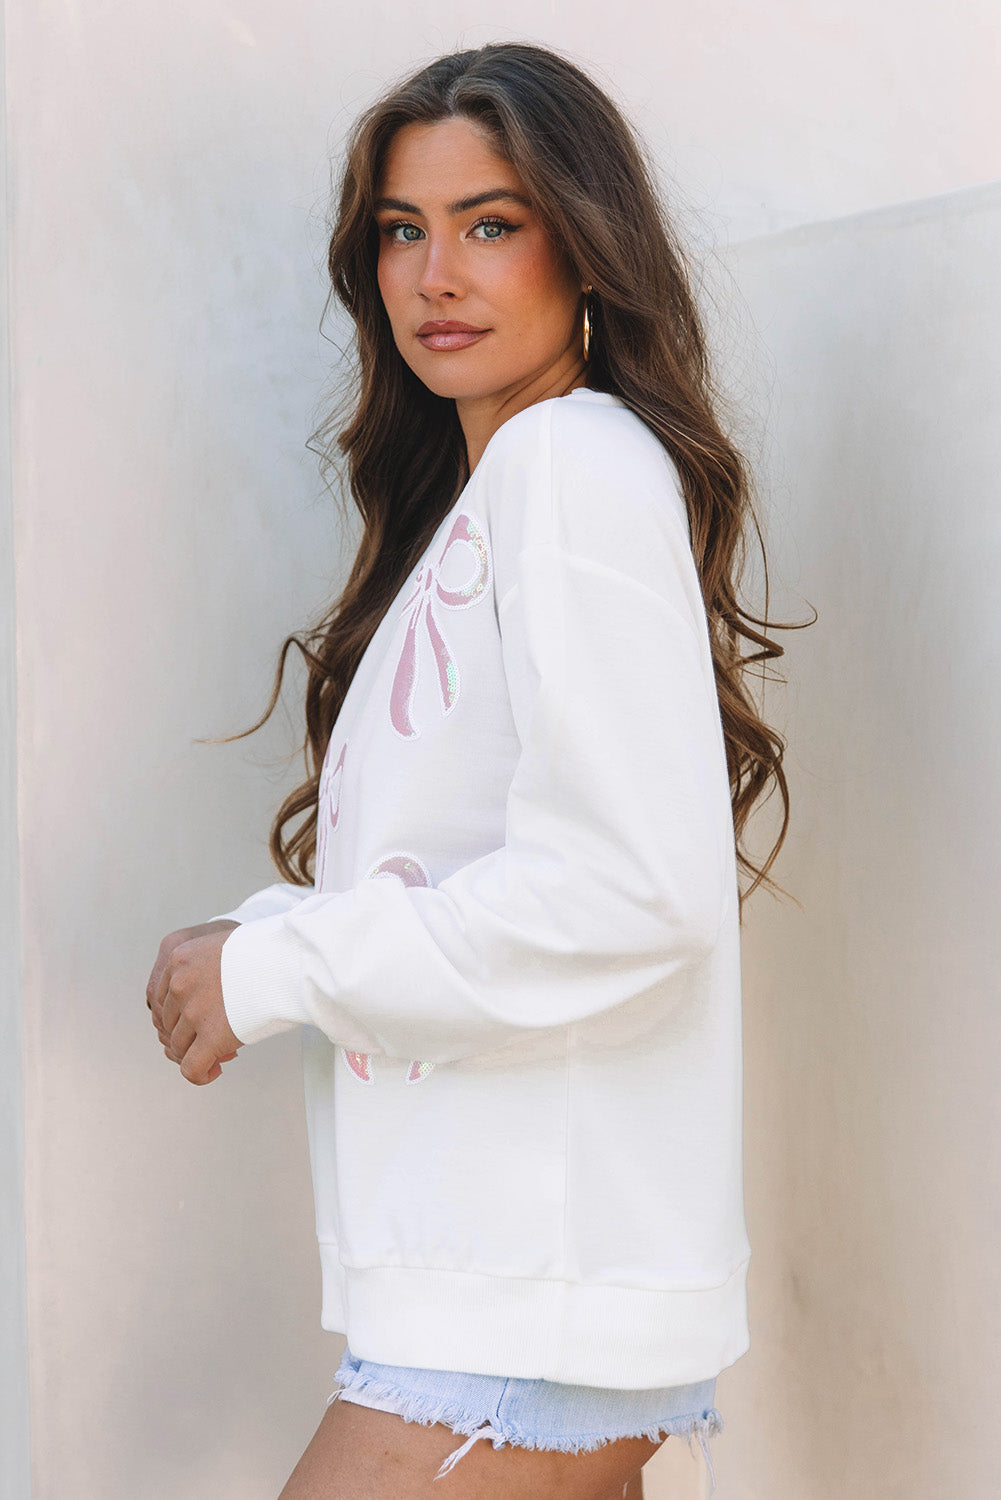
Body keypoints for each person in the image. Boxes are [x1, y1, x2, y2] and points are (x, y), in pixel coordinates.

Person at [146, 41, 798, 1500]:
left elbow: (627, 891)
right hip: (512, 1279)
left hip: (522, 1294)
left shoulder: (570, 466)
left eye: (490, 224)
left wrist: (279, 968)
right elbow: (483, 866)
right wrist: (265, 935)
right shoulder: (504, 491)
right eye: (403, 230)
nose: (436, 275)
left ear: (586, 248)